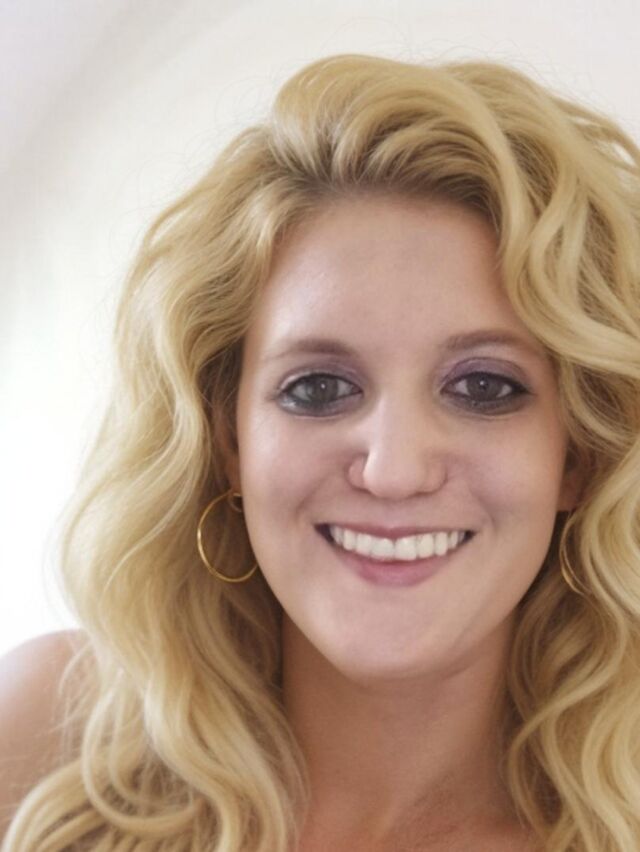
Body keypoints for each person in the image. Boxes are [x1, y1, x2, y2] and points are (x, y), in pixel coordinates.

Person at [1, 52, 639, 852]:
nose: (394, 470)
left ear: (578, 455)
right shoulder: (46, 747)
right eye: (317, 388)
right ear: (228, 438)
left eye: (483, 387)